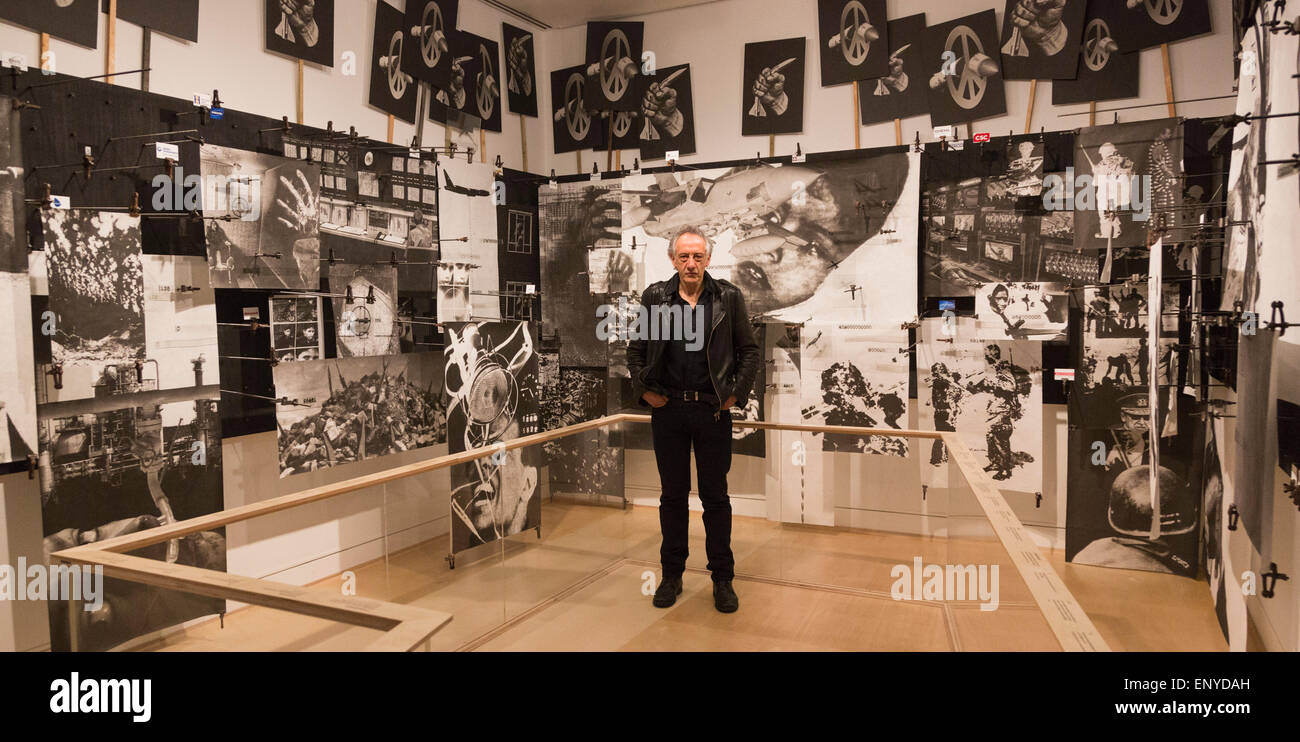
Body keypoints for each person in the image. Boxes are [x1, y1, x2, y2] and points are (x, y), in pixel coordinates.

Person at [628, 227, 760, 613]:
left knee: (715, 498)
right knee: (672, 497)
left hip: (712, 411)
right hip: (668, 411)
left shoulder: (727, 297)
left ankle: (723, 579)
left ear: (707, 259)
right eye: (684, 256)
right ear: (673, 259)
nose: (691, 263)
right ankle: (671, 575)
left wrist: (734, 393)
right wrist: (644, 390)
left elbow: (748, 351)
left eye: (697, 256)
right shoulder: (656, 296)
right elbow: (636, 351)